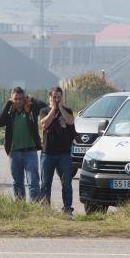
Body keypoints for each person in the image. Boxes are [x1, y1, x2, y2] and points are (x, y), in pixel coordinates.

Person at [0, 87, 47, 202]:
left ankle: (34, 205)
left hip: (30, 151)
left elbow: (45, 106)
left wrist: (32, 99)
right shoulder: (10, 112)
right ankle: (20, 205)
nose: (18, 101)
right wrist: (8, 104)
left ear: (25, 98)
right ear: (12, 99)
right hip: (14, 152)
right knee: (17, 182)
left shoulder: (31, 109)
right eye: (16, 99)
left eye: (21, 98)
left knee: (33, 181)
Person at [39, 86, 76, 215]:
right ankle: (45, 210)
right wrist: (53, 109)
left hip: (64, 154)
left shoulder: (67, 110)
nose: (56, 99)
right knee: (45, 183)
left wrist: (60, 108)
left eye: (59, 97)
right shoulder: (44, 110)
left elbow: (70, 121)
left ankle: (67, 209)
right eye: (54, 97)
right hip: (48, 152)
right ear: (49, 97)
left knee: (66, 183)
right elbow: (44, 124)